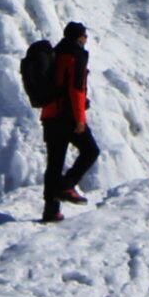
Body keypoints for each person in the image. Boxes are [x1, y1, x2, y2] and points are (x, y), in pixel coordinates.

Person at [40, 21, 98, 224]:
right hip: (67, 117)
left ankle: (51, 210)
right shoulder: (75, 55)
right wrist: (80, 119)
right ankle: (67, 185)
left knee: (54, 163)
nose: (86, 39)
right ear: (79, 37)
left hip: (50, 116)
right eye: (84, 36)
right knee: (91, 151)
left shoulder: (56, 53)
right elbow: (76, 89)